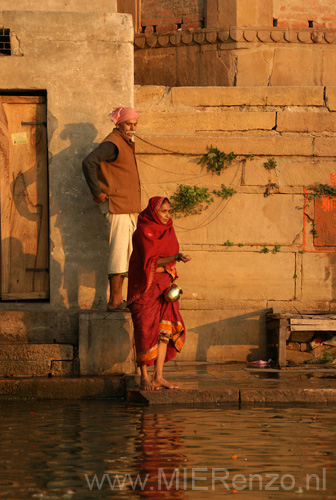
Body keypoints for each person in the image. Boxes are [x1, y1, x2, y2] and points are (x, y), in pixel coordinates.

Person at [127, 196, 192, 390]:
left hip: (165, 287)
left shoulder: (169, 230)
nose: (167, 215)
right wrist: (177, 257)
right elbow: (150, 262)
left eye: (169, 211)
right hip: (145, 288)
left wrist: (173, 265)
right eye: (163, 211)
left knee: (165, 331)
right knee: (145, 330)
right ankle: (144, 378)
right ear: (154, 211)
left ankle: (159, 376)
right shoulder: (142, 232)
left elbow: (168, 261)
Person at [82, 106, 141, 311]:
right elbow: (89, 162)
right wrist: (96, 192)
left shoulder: (124, 142)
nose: (132, 127)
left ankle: (120, 299)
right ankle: (114, 300)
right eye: (128, 124)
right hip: (116, 205)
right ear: (119, 124)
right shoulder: (113, 143)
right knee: (118, 253)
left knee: (127, 253)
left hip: (125, 206)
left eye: (134, 124)